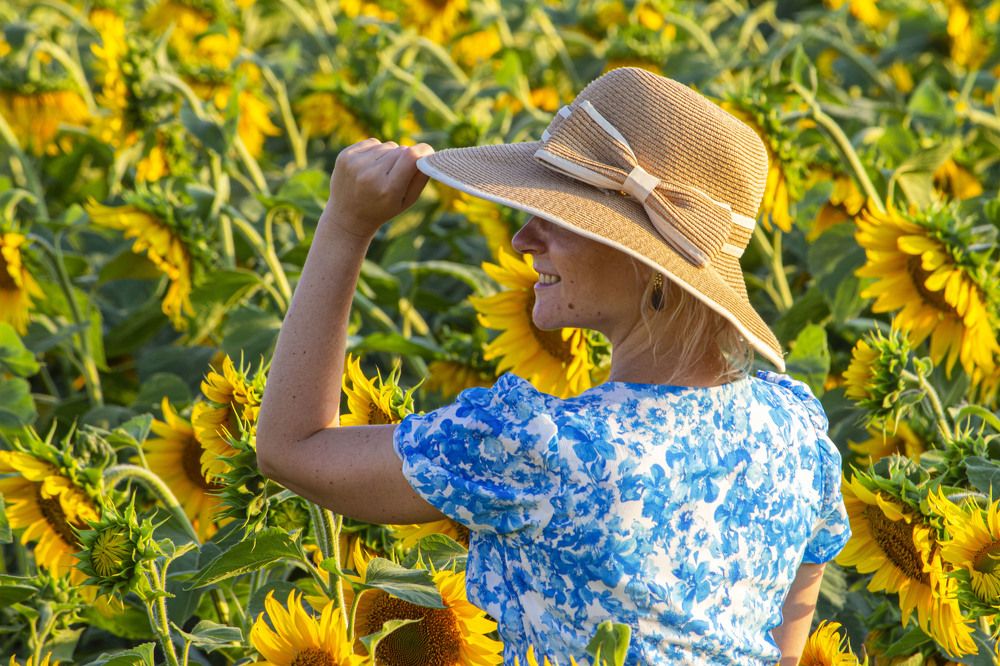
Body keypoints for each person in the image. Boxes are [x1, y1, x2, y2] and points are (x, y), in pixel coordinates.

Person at [256, 67, 851, 665]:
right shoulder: (796, 432)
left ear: (648, 265)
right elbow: (784, 653)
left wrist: (344, 226)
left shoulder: (542, 448)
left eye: (560, 215)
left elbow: (292, 447)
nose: (522, 238)